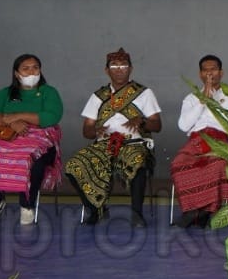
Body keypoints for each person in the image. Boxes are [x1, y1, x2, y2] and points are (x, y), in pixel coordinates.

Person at [64, 48, 162, 227]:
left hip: (134, 143)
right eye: (114, 66)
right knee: (74, 165)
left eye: (123, 65)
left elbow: (157, 125)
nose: (119, 69)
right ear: (106, 70)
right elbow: (86, 131)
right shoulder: (98, 96)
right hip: (105, 144)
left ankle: (137, 213)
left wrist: (141, 121)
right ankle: (96, 209)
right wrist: (96, 131)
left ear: (131, 69)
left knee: (138, 160)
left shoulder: (143, 93)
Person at [0, 54, 63, 226]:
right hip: (7, 136)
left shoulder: (49, 92)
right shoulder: (5, 93)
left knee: (32, 163)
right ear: (16, 73)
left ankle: (27, 206)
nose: (31, 72)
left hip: (40, 141)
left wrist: (18, 116)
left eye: (35, 67)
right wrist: (12, 123)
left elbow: (51, 116)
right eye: (25, 68)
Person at [170, 55, 228, 228]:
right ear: (200, 74)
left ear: (221, 73)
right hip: (196, 141)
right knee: (179, 164)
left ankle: (206, 211)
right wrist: (201, 101)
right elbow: (184, 126)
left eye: (213, 69)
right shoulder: (191, 98)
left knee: (217, 165)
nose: (209, 74)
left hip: (220, 141)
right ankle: (191, 210)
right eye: (205, 70)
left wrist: (212, 100)